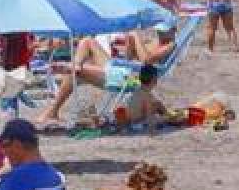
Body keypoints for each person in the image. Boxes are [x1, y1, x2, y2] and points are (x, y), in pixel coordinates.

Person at [36, 23, 176, 124]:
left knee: (74, 74)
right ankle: (76, 65)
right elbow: (131, 57)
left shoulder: (170, 45)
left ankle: (53, 110)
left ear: (173, 30)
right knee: (87, 41)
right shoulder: (155, 42)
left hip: (132, 77)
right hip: (125, 69)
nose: (161, 34)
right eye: (159, 31)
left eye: (164, 31)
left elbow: (147, 60)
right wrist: (130, 43)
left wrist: (135, 36)